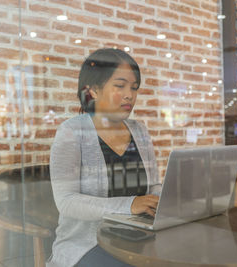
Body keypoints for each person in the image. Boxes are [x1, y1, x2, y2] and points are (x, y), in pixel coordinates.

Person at [48, 48, 161, 267]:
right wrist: (130, 205)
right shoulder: (71, 132)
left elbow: (154, 186)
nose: (129, 94)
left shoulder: (140, 131)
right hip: (87, 244)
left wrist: (160, 201)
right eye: (120, 86)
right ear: (94, 91)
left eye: (134, 88)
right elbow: (66, 202)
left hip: (139, 237)